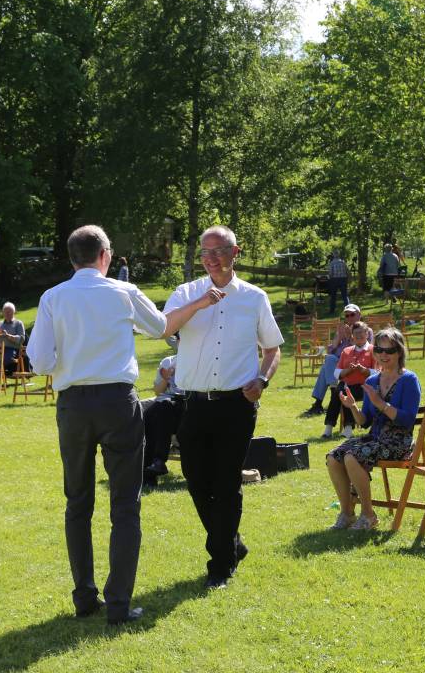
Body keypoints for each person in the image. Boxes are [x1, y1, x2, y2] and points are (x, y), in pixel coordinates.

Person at [25, 224, 220, 624]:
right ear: (105, 255)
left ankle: (84, 598)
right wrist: (198, 304)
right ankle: (118, 604)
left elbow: (40, 362)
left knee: (77, 502)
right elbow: (163, 327)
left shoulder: (52, 298)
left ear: (71, 257)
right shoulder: (123, 292)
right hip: (117, 402)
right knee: (125, 505)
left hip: (73, 405)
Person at [164, 225, 284, 590]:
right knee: (197, 480)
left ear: (236, 252)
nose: (212, 258)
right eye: (205, 252)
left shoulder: (254, 297)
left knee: (227, 482)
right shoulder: (186, 293)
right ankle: (231, 542)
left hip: (236, 404)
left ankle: (220, 564)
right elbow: (164, 328)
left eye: (219, 250)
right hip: (193, 403)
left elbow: (273, 349)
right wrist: (200, 303)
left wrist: (262, 380)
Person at [326, 327, 421, 530]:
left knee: (352, 456)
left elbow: (407, 420)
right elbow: (364, 422)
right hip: (375, 437)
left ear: (400, 352)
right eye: (379, 350)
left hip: (398, 442)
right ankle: (347, 513)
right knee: (333, 457)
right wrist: (352, 407)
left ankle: (368, 515)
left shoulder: (409, 380)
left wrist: (381, 404)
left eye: (389, 350)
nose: (383, 355)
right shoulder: (372, 380)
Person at [302, 304, 369, 416]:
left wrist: (349, 337)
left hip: (355, 364)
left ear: (359, 315)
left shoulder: (366, 331)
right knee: (329, 359)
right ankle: (330, 395)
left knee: (327, 364)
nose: (349, 318)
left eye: (352, 314)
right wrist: (338, 338)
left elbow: (365, 351)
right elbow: (331, 350)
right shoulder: (343, 329)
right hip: (338, 364)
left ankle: (324, 400)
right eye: (347, 316)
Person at [321, 322, 376, 439]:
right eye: (356, 333)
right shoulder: (346, 351)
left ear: (367, 334)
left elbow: (378, 373)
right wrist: (347, 370)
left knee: (345, 392)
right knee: (338, 392)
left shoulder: (373, 350)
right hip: (347, 384)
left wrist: (364, 370)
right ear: (352, 336)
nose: (359, 336)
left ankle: (347, 428)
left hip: (365, 387)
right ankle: (329, 427)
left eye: (361, 333)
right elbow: (336, 373)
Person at [141, 344, 184, 484]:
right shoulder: (168, 361)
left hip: (185, 404)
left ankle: (155, 464)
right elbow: (158, 392)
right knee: (149, 415)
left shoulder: (200, 361)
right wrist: (166, 378)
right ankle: (154, 466)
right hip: (164, 405)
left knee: (163, 408)